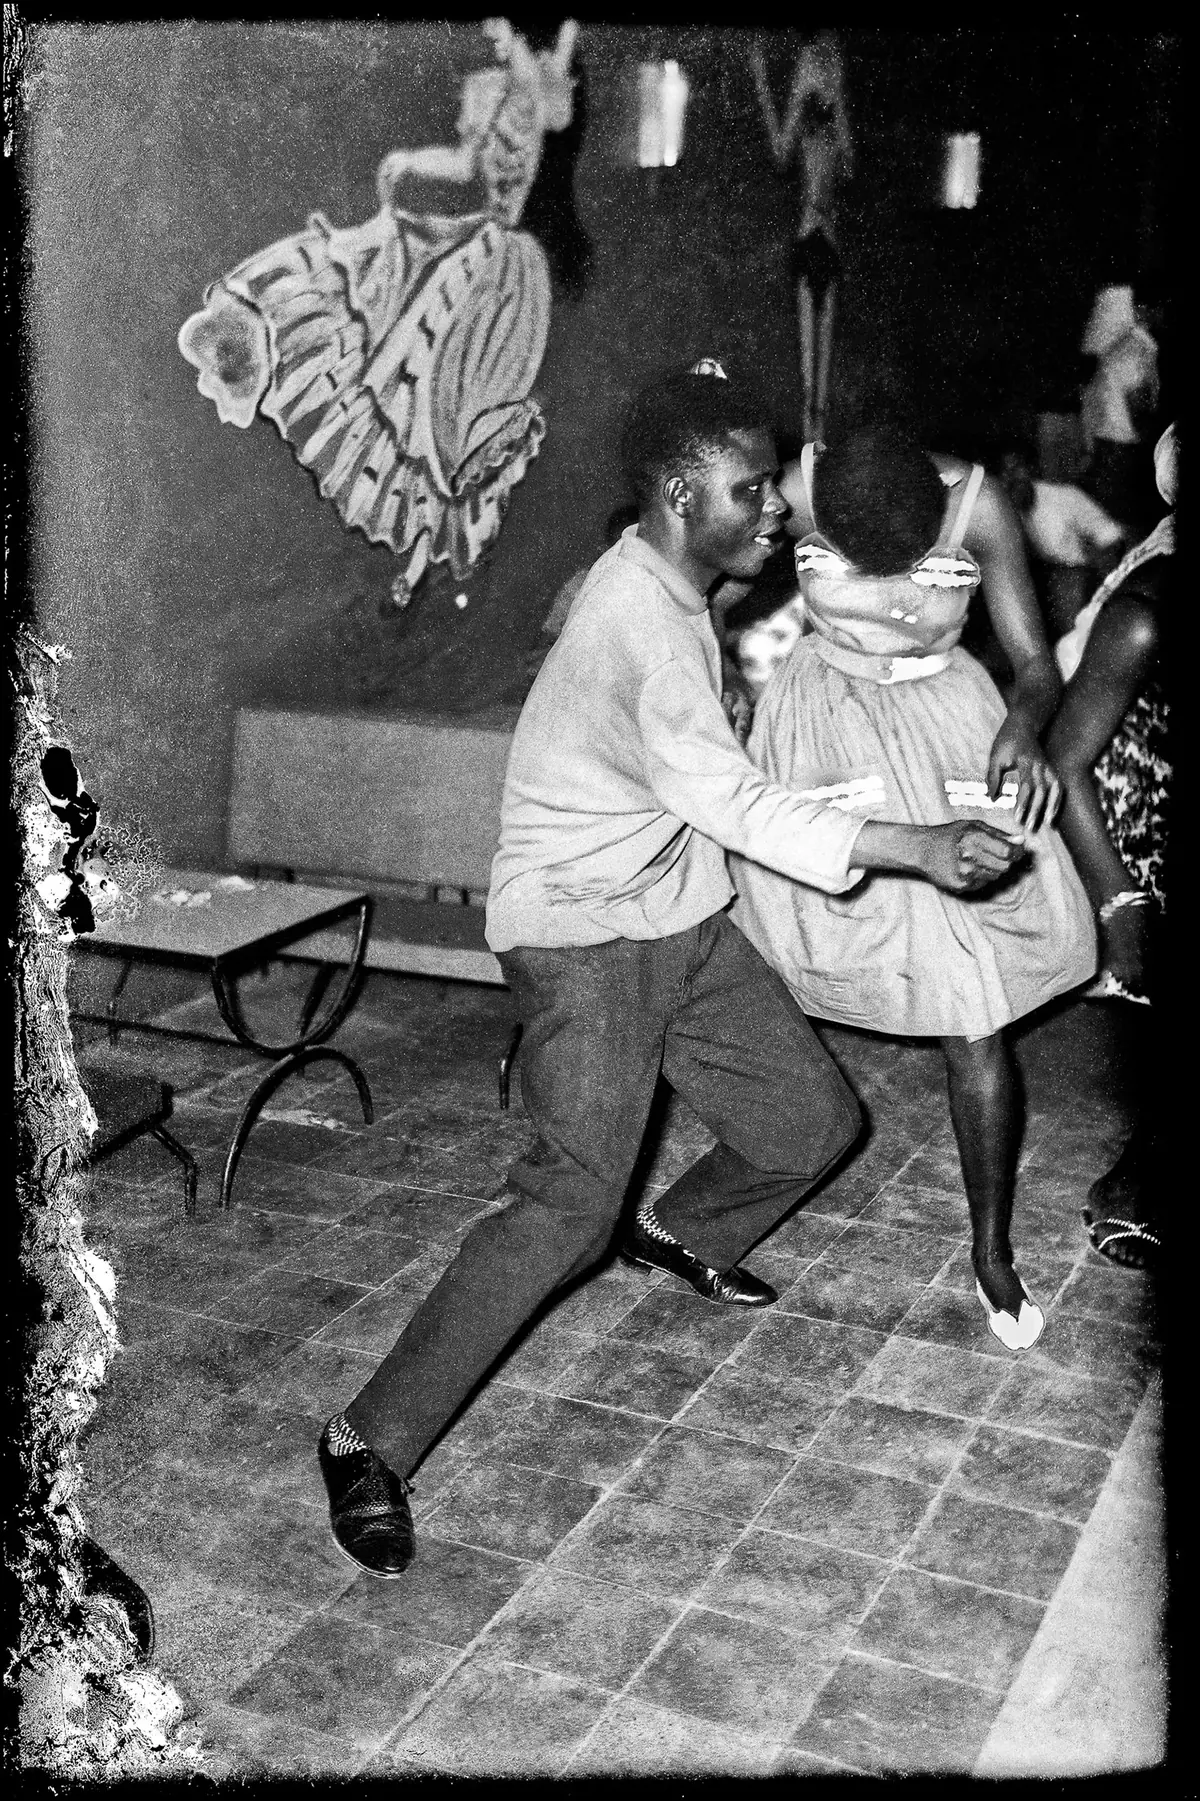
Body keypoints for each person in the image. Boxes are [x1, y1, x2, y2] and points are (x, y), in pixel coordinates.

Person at [314, 369, 1026, 1577]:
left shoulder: (672, 582)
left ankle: (678, 1227)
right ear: (677, 491)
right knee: (563, 1207)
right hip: (584, 932)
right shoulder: (640, 619)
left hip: (674, 907)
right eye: (753, 491)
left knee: (810, 1122)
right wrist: (909, 846)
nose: (778, 513)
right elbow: (720, 789)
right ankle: (362, 1439)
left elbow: (701, 793)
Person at [731, 425, 1097, 1354]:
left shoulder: (982, 507)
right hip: (820, 722)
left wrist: (1023, 722)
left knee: (970, 998)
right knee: (759, 958)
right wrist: (719, 680)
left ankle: (991, 1252)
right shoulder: (794, 486)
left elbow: (1038, 665)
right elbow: (711, 582)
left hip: (944, 725)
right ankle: (716, 1198)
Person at [1046, 422, 1176, 1266]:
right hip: (1127, 832)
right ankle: (1141, 1175)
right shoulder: (1146, 613)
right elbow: (1064, 762)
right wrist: (1121, 904)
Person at [749, 33, 854, 441]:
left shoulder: (833, 126)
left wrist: (838, 97)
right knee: (808, 363)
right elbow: (779, 152)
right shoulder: (806, 121)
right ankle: (812, 440)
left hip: (826, 237)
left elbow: (848, 168)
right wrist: (762, 80)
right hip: (808, 232)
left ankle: (819, 438)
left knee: (822, 362)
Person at [998, 444, 1127, 640]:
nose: (1012, 478)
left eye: (1017, 469)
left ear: (1031, 469)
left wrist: (1100, 588)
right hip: (1037, 575)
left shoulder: (1063, 497)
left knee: (1068, 605)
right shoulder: (1002, 509)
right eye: (1004, 473)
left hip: (1078, 571)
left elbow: (1111, 539)